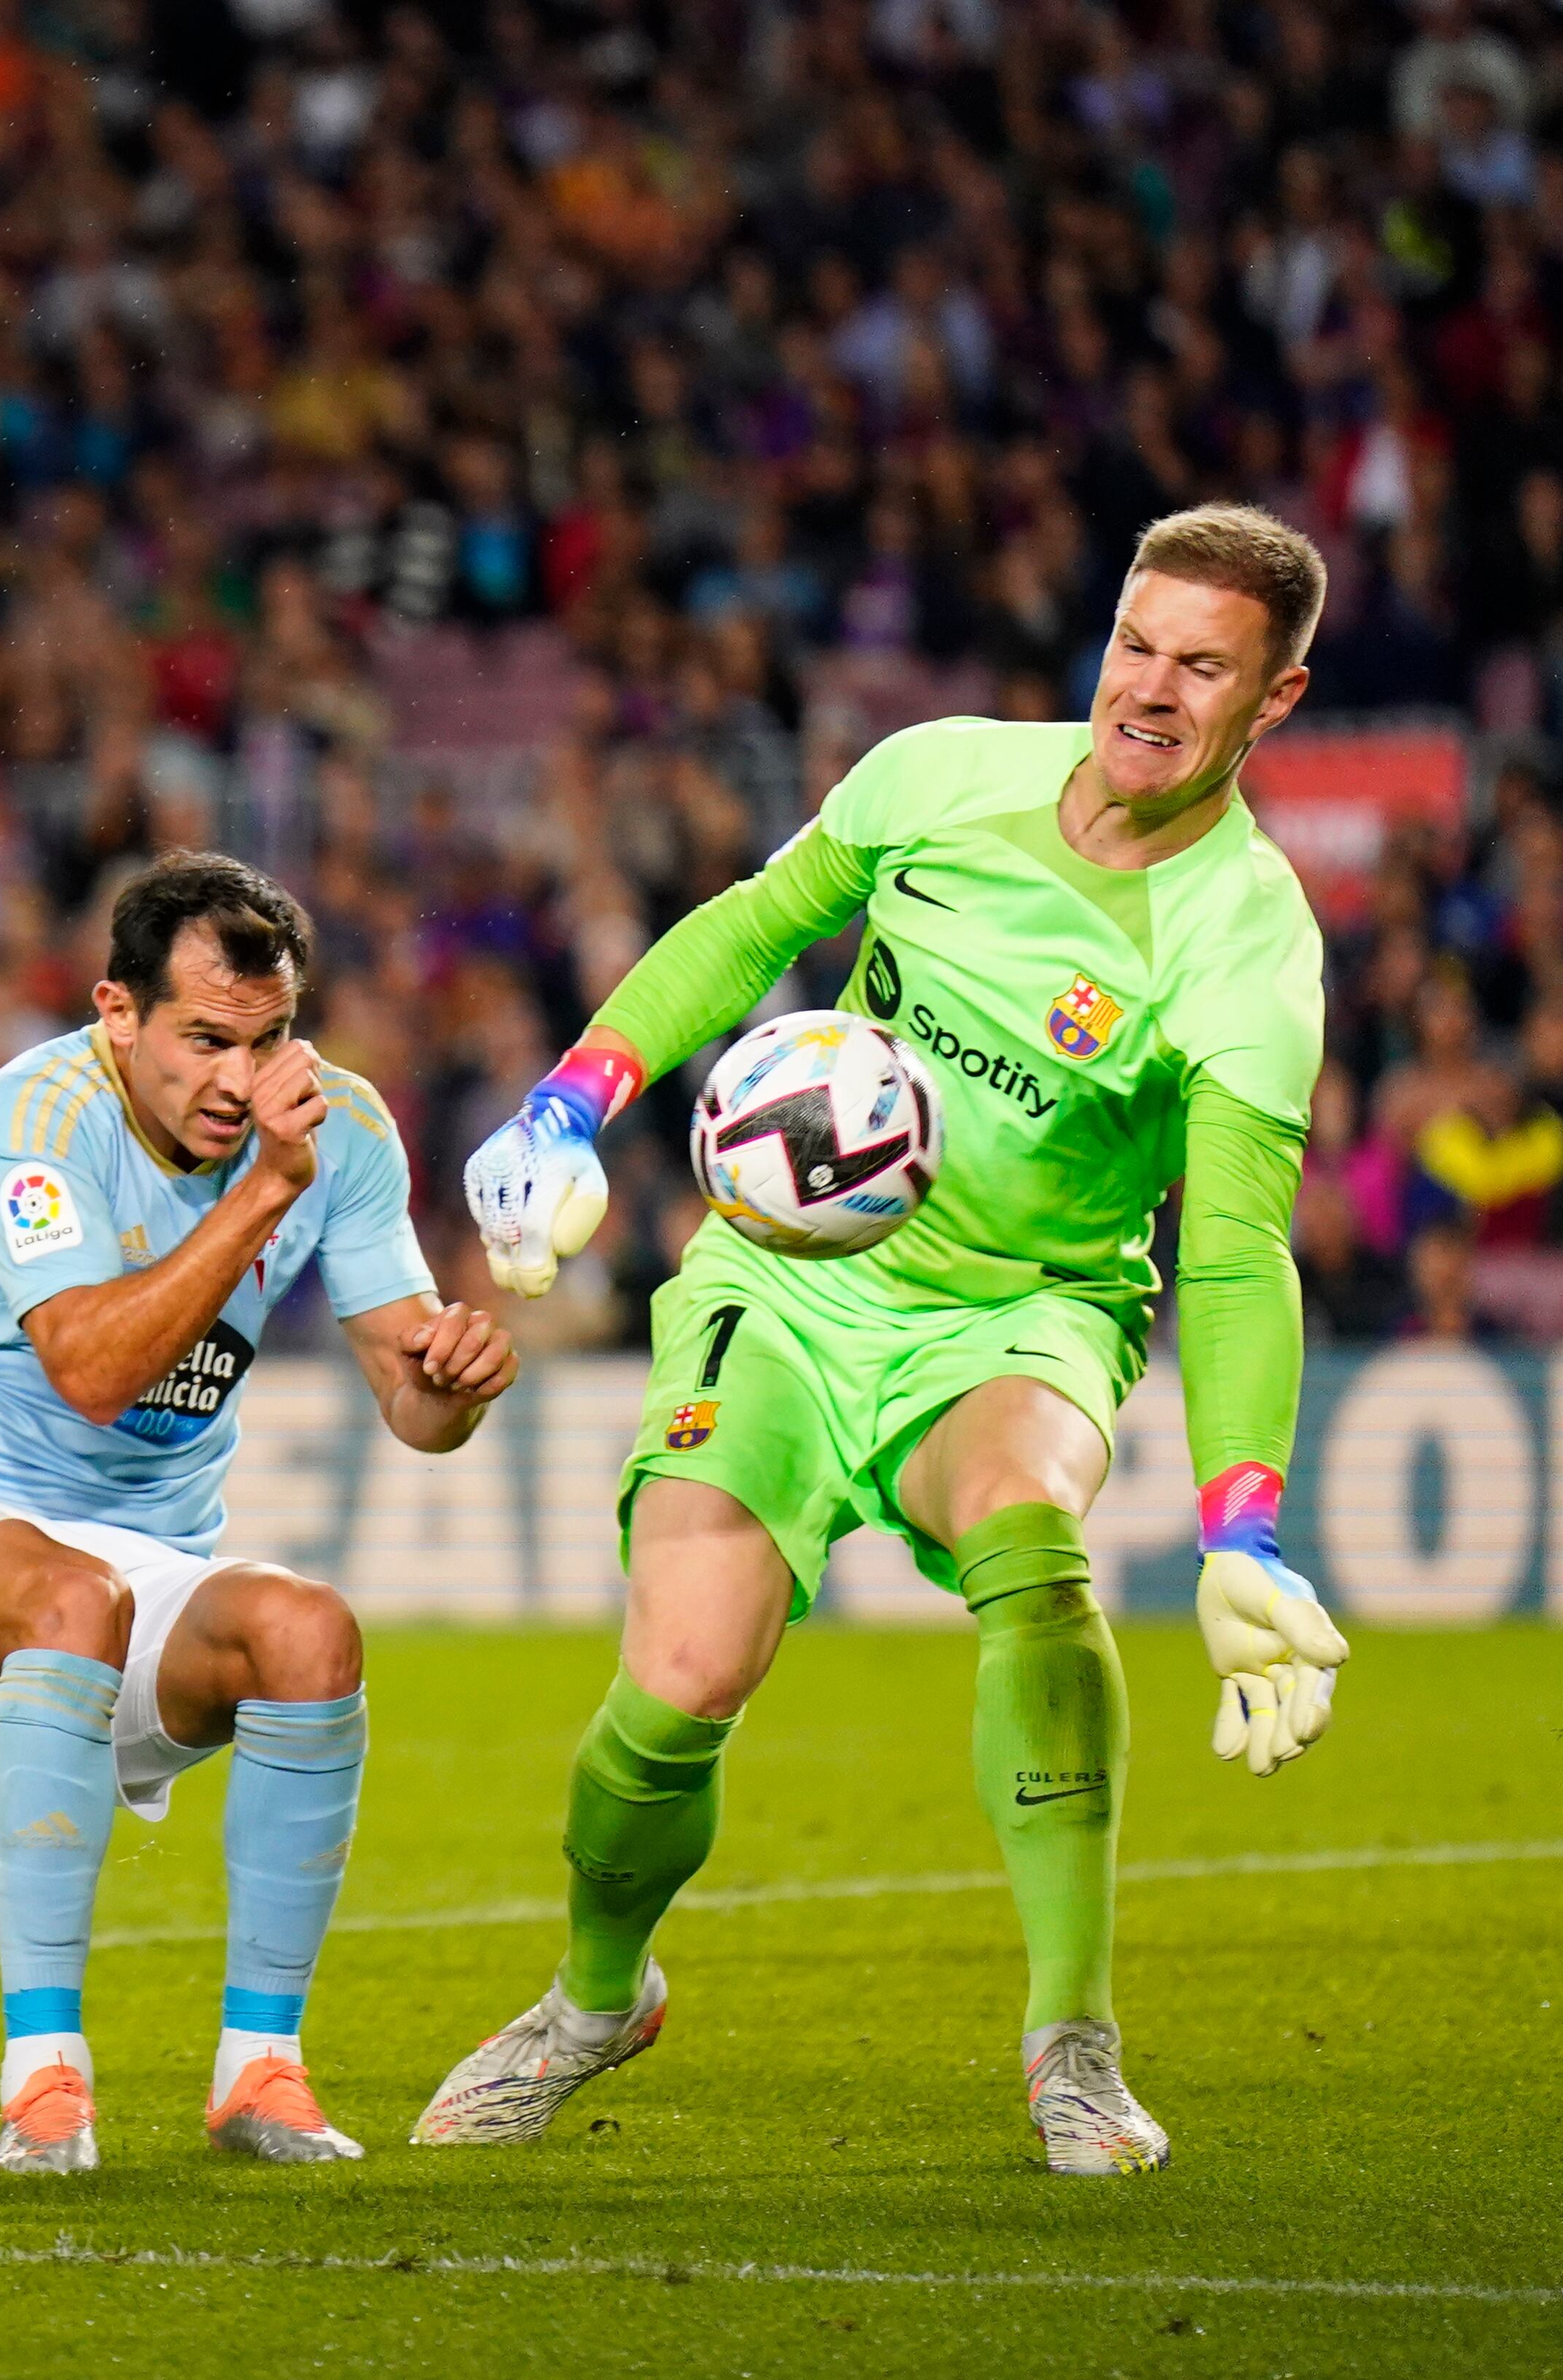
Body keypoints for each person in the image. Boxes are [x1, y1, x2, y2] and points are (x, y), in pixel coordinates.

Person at [437, 503, 1353, 2175]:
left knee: (1028, 1538)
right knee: (684, 1677)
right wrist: (574, 1101)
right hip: (784, 1276)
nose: (1147, 690)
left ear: (1271, 699)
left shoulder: (1248, 948)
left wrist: (1244, 1522)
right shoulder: (941, 775)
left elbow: (1225, 1254)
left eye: (1200, 669)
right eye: (1135, 644)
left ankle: (1072, 2040)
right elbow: (748, 924)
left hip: (1023, 1309)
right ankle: (591, 1997)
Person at [0, 853, 518, 2175]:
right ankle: (45, 2084)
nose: (239, 1080)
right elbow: (90, 1371)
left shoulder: (345, 1130)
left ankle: (262, 2070)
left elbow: (413, 1411)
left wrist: (459, 1378)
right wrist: (264, 1186)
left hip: (137, 1571)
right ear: (117, 1012)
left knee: (310, 1632)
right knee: (67, 1594)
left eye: (267, 1042)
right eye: (204, 1038)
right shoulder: (32, 1115)